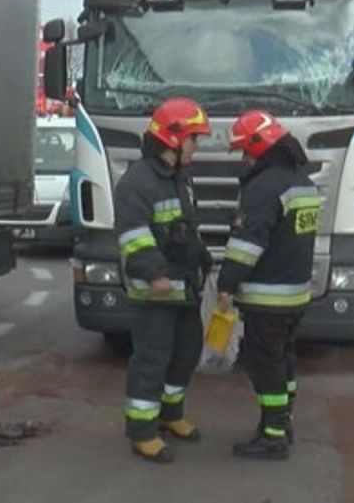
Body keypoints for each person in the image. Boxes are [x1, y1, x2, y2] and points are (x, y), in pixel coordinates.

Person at [115, 97, 213, 463]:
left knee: (185, 355)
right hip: (154, 294)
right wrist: (155, 273)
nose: (197, 147)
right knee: (151, 361)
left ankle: (171, 416)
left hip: (183, 289)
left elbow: (186, 229)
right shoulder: (138, 183)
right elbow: (133, 237)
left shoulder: (181, 179)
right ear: (174, 139)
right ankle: (142, 430)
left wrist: (203, 257)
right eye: (194, 139)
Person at [217, 110, 318, 461]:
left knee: (265, 365)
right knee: (285, 360)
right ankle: (283, 423)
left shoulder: (264, 187)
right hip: (297, 295)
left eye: (245, 151)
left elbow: (248, 245)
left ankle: (272, 436)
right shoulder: (303, 183)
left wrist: (226, 283)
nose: (244, 160)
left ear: (259, 146)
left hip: (268, 298)